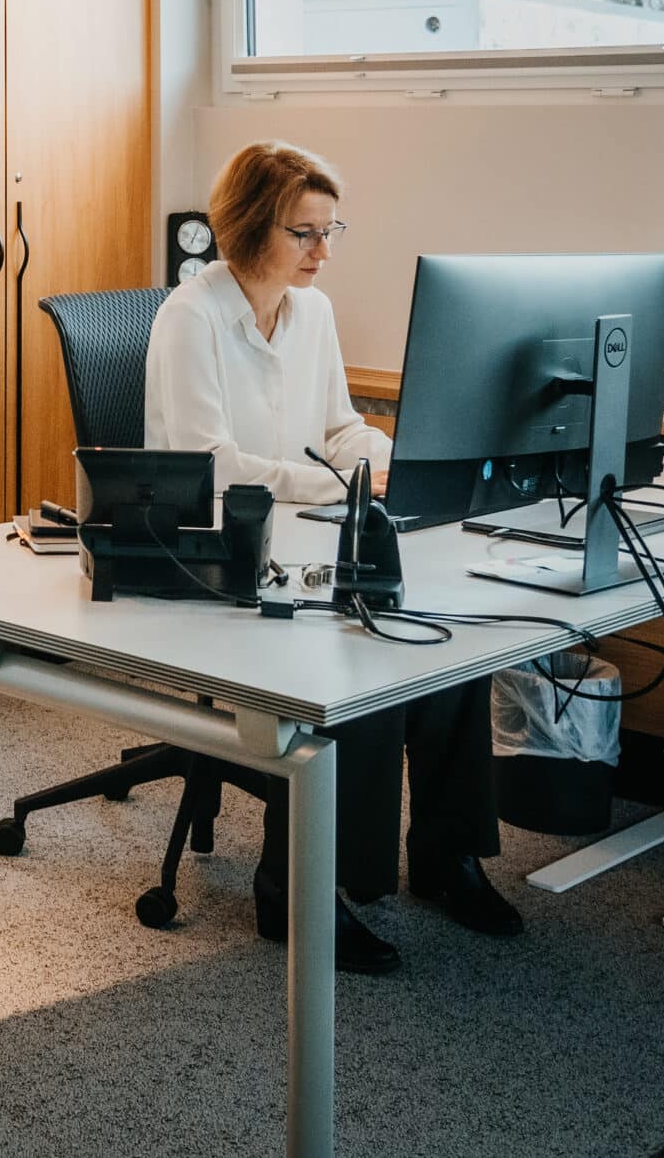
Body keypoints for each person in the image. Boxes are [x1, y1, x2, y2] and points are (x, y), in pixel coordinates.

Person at [146, 140, 519, 975]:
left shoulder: (311, 312)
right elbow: (212, 466)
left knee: (449, 642)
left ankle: (446, 856)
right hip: (215, 554)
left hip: (304, 537)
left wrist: (392, 453)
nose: (323, 251)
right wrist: (332, 482)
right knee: (356, 656)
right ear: (248, 229)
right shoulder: (191, 316)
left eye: (329, 230)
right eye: (304, 233)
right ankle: (305, 888)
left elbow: (339, 425)